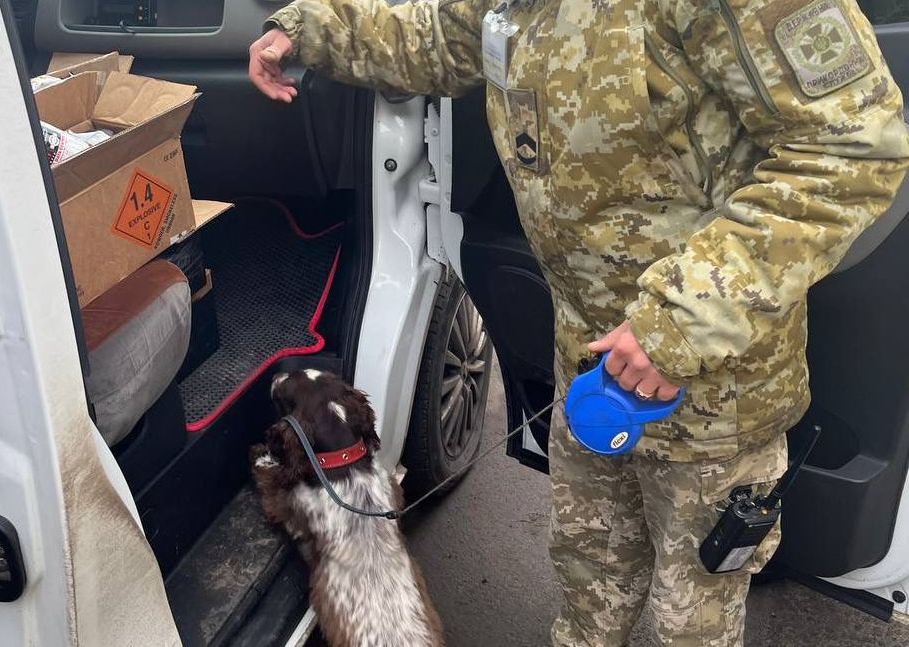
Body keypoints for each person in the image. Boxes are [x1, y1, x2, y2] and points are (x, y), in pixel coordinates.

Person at [248, 0, 909, 643]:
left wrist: (679, 321)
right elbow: (437, 34)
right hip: (589, 365)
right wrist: (307, 29)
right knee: (588, 573)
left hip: (711, 393)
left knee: (693, 616)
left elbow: (854, 150)